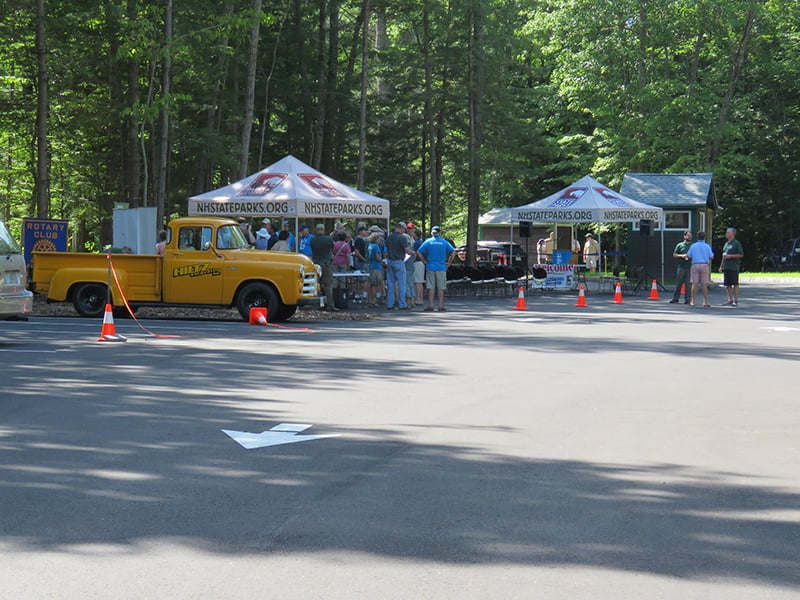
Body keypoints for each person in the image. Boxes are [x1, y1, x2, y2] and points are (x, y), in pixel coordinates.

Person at [418, 225, 456, 312]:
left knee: (431, 287)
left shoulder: (428, 242)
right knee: (441, 287)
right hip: (441, 267)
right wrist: (449, 262)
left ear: (432, 232)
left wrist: (424, 261)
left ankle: (431, 305)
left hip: (430, 266)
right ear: (439, 233)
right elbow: (453, 251)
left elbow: (419, 252)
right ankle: (440, 305)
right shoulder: (444, 242)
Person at [384, 222, 415, 310]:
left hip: (390, 262)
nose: (404, 231)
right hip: (399, 262)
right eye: (404, 229)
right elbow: (406, 250)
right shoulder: (402, 238)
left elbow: (386, 251)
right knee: (402, 284)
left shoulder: (389, 238)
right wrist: (413, 252)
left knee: (390, 284)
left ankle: (390, 304)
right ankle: (402, 304)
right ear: (400, 228)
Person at [310, 223, 337, 311]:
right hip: (325, 264)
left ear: (316, 230)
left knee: (316, 285)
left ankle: (316, 304)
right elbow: (332, 248)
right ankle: (330, 305)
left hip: (315, 264)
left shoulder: (312, 240)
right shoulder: (328, 239)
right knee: (328, 285)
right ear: (323, 229)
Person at [686, 231, 714, 307]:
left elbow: (688, 255)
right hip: (704, 264)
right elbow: (711, 256)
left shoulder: (693, 246)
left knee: (694, 284)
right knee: (704, 284)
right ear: (704, 237)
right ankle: (705, 302)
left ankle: (693, 301)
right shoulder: (707, 246)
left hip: (695, 264)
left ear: (697, 237)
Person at [719, 227, 744, 306]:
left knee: (735, 283)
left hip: (733, 267)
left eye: (728, 232)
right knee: (727, 284)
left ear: (733, 234)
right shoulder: (726, 244)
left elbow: (741, 254)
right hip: (726, 266)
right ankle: (729, 299)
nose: (726, 234)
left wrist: (731, 256)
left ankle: (736, 300)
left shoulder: (736, 243)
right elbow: (723, 256)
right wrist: (721, 266)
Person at [669, 230, 692, 304]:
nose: (689, 237)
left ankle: (687, 299)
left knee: (688, 284)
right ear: (684, 236)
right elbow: (674, 254)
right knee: (679, 283)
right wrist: (682, 256)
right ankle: (676, 298)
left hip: (689, 267)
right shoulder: (680, 245)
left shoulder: (692, 245)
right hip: (681, 266)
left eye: (690, 235)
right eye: (688, 235)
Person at [367, 232, 384, 307]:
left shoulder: (370, 246)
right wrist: (382, 260)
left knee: (371, 284)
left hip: (371, 266)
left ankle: (370, 299)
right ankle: (374, 300)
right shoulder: (376, 246)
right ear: (376, 239)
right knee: (375, 284)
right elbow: (377, 257)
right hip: (376, 267)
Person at [410, 226, 425, 305]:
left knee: (417, 282)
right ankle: (421, 298)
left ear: (416, 234)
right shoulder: (421, 242)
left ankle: (418, 299)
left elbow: (416, 253)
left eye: (413, 233)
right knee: (420, 282)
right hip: (421, 263)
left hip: (417, 263)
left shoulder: (416, 243)